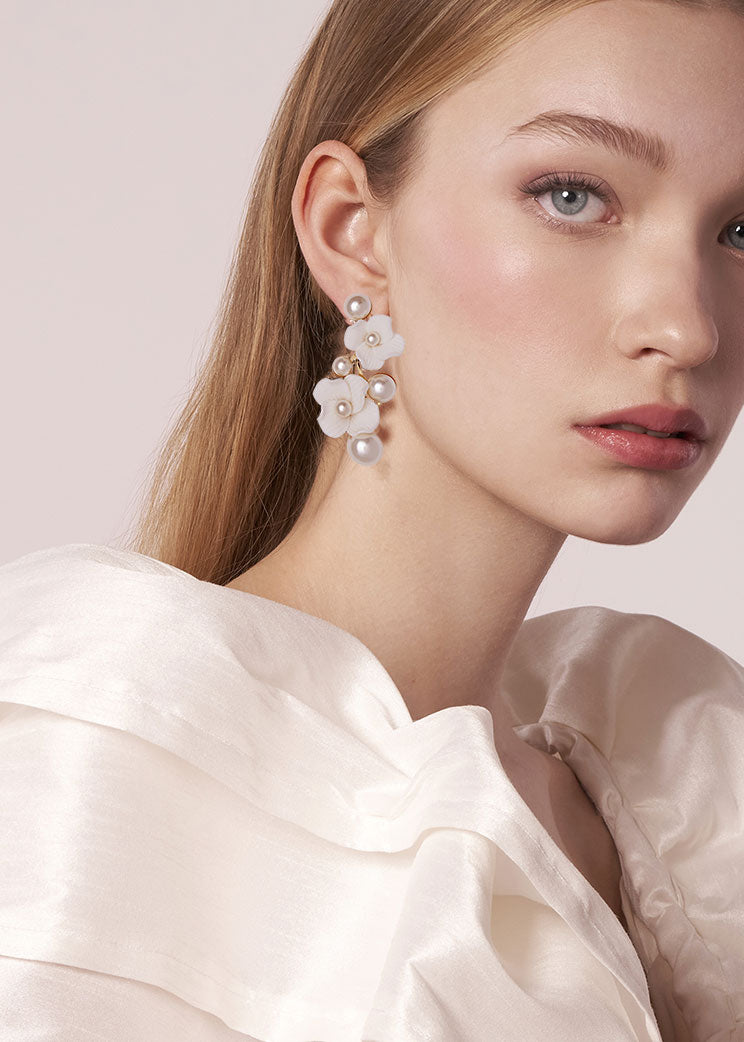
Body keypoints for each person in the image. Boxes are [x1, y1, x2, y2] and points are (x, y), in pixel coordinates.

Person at [1, 0, 743, 1038]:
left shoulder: (683, 790)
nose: (688, 324)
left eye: (741, 230)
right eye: (572, 195)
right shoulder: (86, 765)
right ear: (352, 232)